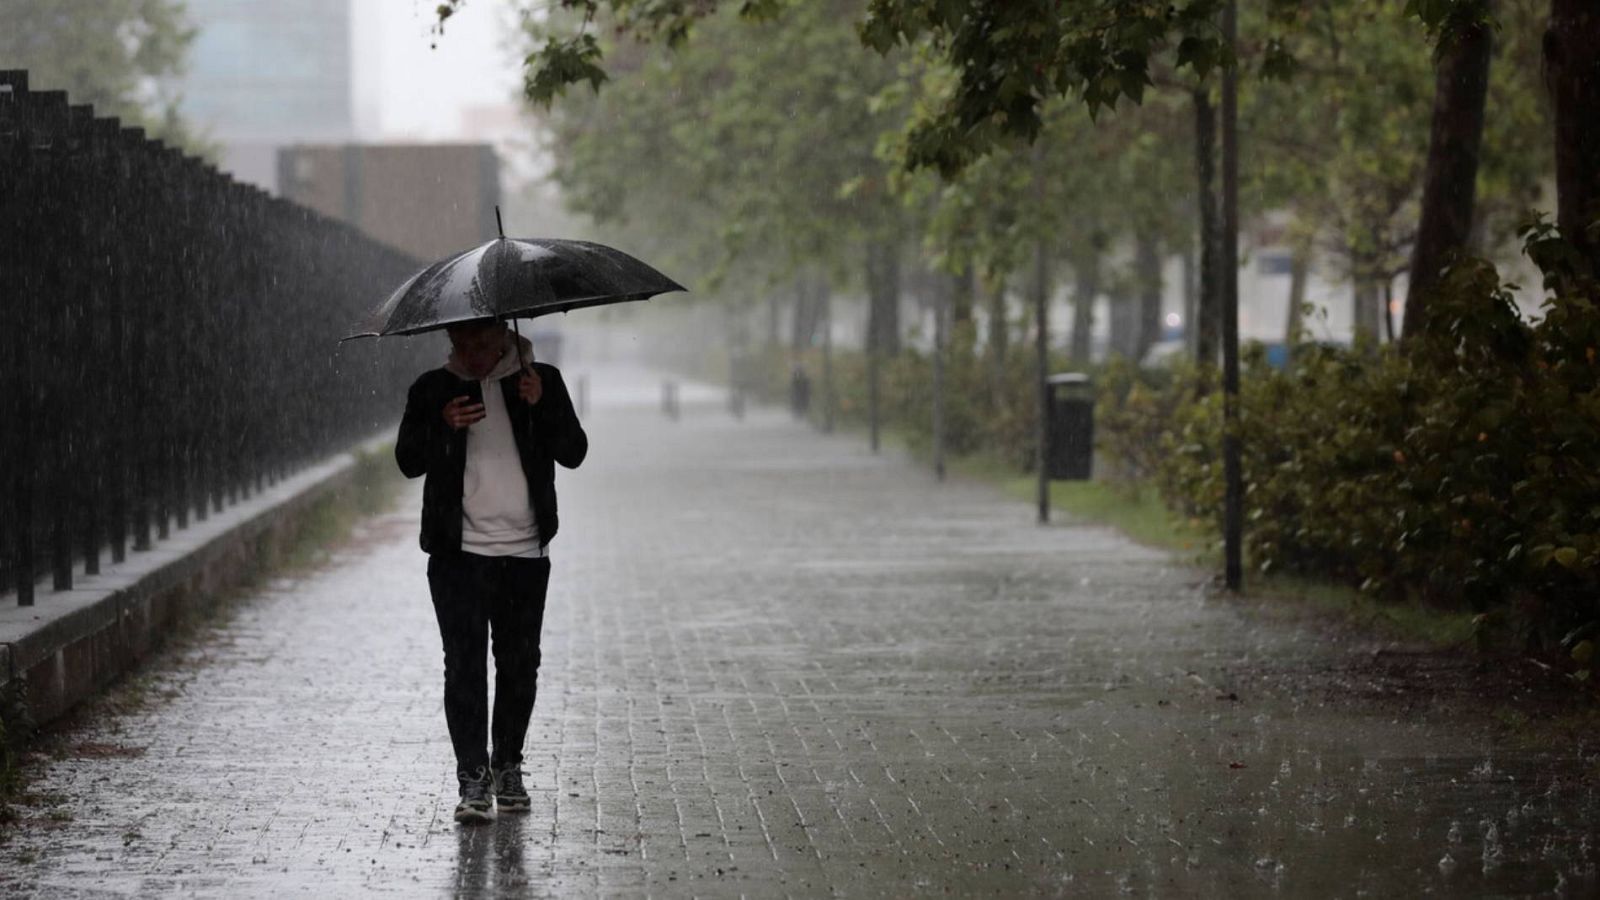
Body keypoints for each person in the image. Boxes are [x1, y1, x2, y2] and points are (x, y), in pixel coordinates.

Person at [395, 318, 588, 824]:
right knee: (463, 667)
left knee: (520, 665)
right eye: (462, 343)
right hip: (457, 556)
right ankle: (472, 777)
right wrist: (442, 424)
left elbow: (574, 452)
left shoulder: (540, 380)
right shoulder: (433, 389)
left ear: (505, 334)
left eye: (483, 342)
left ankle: (508, 765)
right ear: (450, 341)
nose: (474, 353)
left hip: (525, 553)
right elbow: (408, 461)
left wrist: (541, 404)